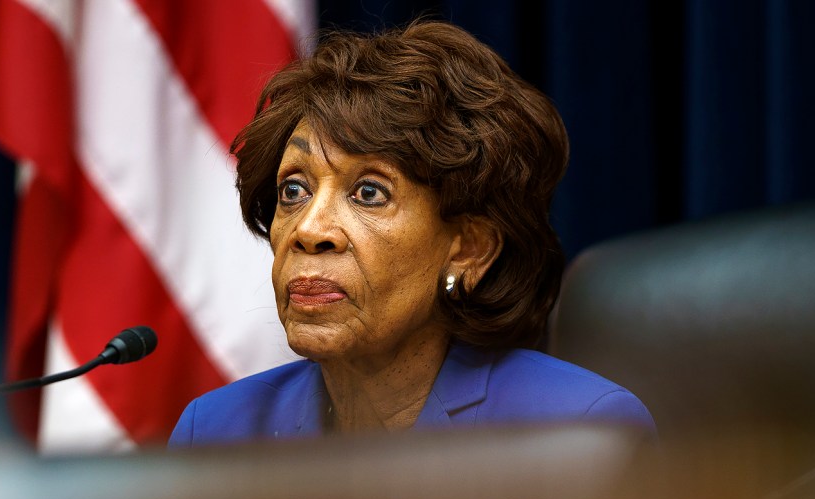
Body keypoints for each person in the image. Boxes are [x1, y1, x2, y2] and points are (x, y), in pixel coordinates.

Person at [169, 20, 654, 447]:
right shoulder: (214, 433)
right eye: (294, 190)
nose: (310, 229)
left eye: (369, 193)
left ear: (469, 249)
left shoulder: (578, 434)